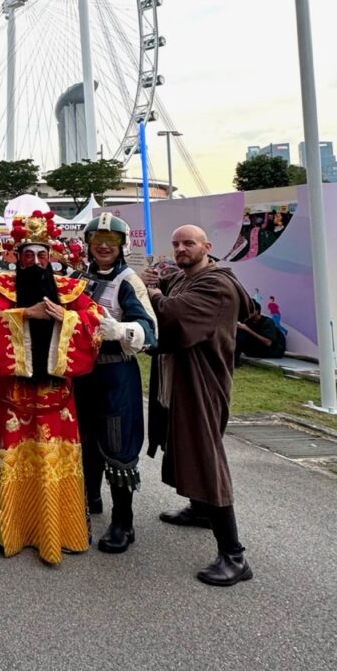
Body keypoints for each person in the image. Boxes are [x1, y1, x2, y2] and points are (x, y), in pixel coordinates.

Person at [0, 211, 102, 565]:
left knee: (54, 458)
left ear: (51, 258)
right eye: (28, 256)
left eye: (41, 256)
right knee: (13, 456)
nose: (35, 263)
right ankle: (12, 528)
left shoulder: (70, 289)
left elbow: (94, 320)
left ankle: (59, 527)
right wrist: (25, 315)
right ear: (16, 257)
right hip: (13, 395)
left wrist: (67, 318)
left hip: (56, 394)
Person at [143, 224, 254, 586]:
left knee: (206, 456)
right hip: (180, 376)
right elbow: (165, 295)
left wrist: (148, 292)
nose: (181, 249)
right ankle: (200, 510)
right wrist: (152, 285)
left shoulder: (216, 285)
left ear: (207, 247)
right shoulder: (183, 277)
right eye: (176, 243)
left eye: (188, 243)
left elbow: (172, 315)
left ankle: (234, 556)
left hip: (204, 381)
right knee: (183, 444)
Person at [73, 214, 156, 554]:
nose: (104, 246)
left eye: (111, 241)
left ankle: (124, 521)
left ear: (123, 246)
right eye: (97, 240)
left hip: (115, 374)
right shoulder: (79, 277)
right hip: (82, 374)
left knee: (118, 444)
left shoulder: (127, 281)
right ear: (88, 244)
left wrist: (121, 330)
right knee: (84, 438)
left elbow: (150, 331)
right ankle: (89, 500)